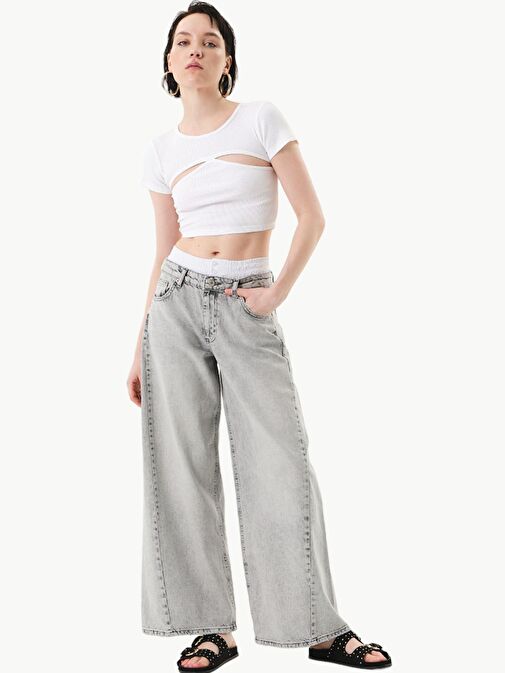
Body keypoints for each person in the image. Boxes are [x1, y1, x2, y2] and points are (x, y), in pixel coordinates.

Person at [127, 2, 392, 670]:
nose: (195, 49)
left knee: (280, 462)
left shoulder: (261, 118)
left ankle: (318, 627)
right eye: (183, 41)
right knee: (182, 469)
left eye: (209, 41)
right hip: (175, 305)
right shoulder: (160, 151)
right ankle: (209, 629)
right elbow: (161, 249)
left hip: (247, 302)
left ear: (227, 60)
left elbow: (312, 217)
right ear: (168, 62)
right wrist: (138, 344)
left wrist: (276, 294)